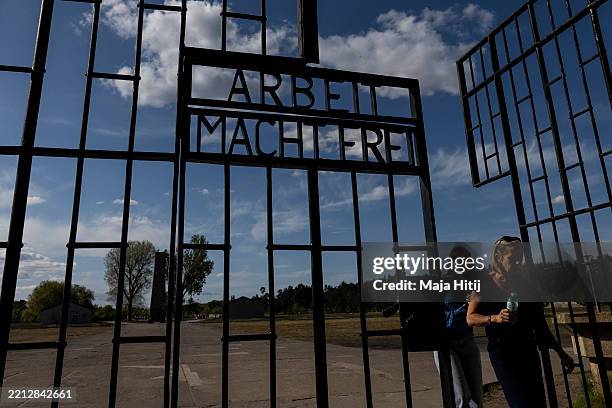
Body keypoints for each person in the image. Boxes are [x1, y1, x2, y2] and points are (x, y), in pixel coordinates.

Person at [466, 236, 575, 408]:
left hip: (528, 350)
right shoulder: (485, 282)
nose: (517, 263)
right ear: (499, 257)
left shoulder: (525, 284)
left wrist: (561, 352)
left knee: (538, 402)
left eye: (519, 259)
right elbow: (470, 317)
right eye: (512, 258)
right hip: (503, 353)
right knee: (520, 403)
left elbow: (538, 322)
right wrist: (494, 318)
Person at [434, 245, 483, 408]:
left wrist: (476, 301)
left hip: (467, 339)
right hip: (446, 343)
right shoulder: (441, 283)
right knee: (461, 396)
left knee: (477, 397)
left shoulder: (474, 284)